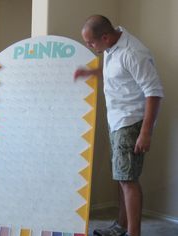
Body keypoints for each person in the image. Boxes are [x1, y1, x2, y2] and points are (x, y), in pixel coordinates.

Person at [74, 15, 164, 236]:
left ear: (104, 36)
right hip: (116, 121)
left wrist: (146, 132)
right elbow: (118, 75)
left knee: (128, 180)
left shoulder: (133, 53)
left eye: (90, 42)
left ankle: (133, 233)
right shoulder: (110, 47)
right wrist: (91, 73)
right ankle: (121, 227)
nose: (89, 46)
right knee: (122, 177)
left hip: (131, 122)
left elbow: (154, 92)